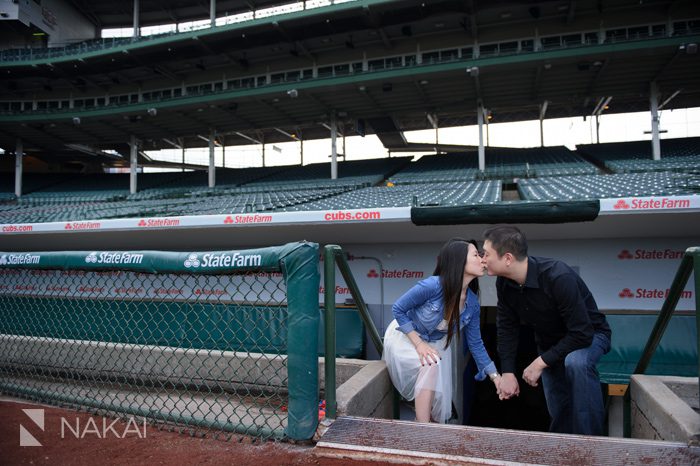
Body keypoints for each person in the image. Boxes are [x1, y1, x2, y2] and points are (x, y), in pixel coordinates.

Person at [481, 225, 612, 436]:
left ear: (507, 258)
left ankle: (591, 445)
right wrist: (507, 372)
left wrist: (540, 362)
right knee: (559, 408)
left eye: (486, 254)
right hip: (551, 345)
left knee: (576, 362)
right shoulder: (504, 283)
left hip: (590, 337)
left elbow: (582, 333)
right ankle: (561, 449)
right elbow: (507, 327)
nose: (482, 259)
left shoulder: (557, 276)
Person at [382, 238, 501, 423]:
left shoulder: (472, 305)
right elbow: (398, 309)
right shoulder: (433, 286)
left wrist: (496, 378)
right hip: (405, 337)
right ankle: (423, 427)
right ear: (459, 261)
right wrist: (419, 344)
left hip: (432, 345)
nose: (482, 260)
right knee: (432, 362)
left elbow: (476, 344)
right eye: (476, 255)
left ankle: (423, 422)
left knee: (434, 371)